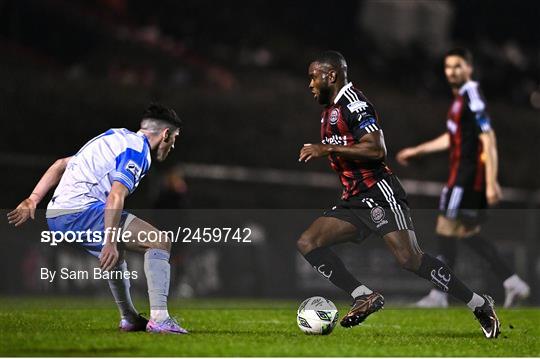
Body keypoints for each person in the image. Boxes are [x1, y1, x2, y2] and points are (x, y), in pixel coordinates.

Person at [297, 50, 500, 338]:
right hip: (354, 199)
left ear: (331, 75)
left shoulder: (354, 104)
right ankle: (363, 295)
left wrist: (326, 148)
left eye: (314, 77)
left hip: (379, 193)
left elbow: (376, 149)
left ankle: (479, 304)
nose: (311, 84)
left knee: (410, 259)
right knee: (308, 241)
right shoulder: (329, 112)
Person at [7, 103, 188, 334]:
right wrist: (109, 241)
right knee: (159, 241)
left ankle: (129, 318)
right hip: (80, 210)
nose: (173, 144)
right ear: (165, 134)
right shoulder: (138, 151)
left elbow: (61, 164)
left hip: (56, 215)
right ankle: (160, 319)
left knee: (117, 255)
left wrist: (33, 199)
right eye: (175, 138)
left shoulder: (113, 136)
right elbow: (116, 195)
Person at [396, 48, 530, 309]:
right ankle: (511, 280)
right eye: (448, 67)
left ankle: (439, 295)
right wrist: (418, 150)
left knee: (448, 232)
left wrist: (492, 182)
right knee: (462, 233)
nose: (451, 72)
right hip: (460, 177)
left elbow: (487, 136)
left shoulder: (471, 94)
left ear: (469, 68)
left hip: (467, 178)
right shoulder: (459, 100)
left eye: (457, 66)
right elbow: (451, 138)